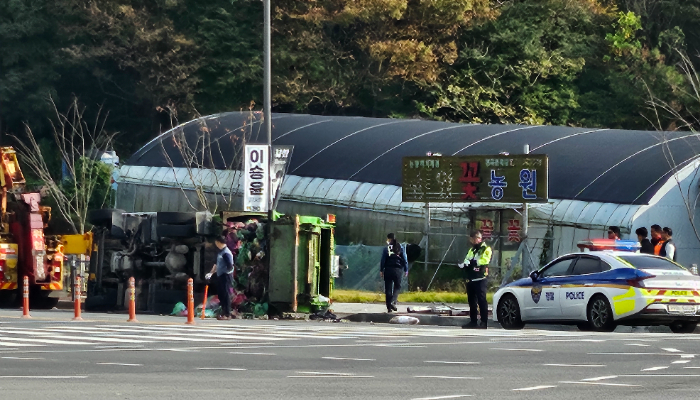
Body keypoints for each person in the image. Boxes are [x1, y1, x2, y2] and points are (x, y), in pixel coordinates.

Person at [459, 230, 492, 329]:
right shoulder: (472, 250)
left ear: (478, 238)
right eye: (471, 239)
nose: (472, 241)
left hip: (480, 277)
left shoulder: (486, 248)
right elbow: (467, 258)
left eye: (473, 239)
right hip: (471, 277)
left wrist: (474, 262)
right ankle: (473, 321)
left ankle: (483, 322)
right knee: (472, 301)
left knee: (482, 300)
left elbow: (485, 260)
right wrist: (464, 264)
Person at [207, 236, 235, 320]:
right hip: (220, 275)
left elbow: (230, 265)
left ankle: (227, 313)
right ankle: (223, 312)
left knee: (225, 294)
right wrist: (211, 273)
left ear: (219, 242)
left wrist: (227, 272)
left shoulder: (226, 252)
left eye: (216, 243)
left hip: (225, 276)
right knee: (221, 294)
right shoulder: (220, 252)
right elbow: (216, 264)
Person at [380, 233, 408, 313]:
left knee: (388, 288)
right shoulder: (400, 248)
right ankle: (393, 302)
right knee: (397, 286)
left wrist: (381, 270)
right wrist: (406, 270)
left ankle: (389, 307)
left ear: (389, 239)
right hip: (397, 270)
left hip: (388, 269)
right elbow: (405, 259)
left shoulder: (386, 249)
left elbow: (383, 260)